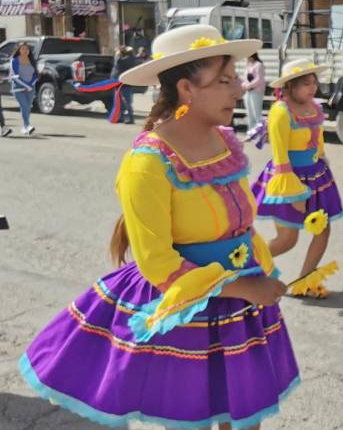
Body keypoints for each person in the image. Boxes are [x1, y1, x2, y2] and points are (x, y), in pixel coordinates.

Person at [19, 25, 298, 429]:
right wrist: (243, 287)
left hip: (240, 303)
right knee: (194, 418)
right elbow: (158, 261)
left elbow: (241, 227)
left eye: (235, 78)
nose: (238, 90)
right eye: (224, 80)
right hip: (186, 310)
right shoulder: (147, 162)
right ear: (187, 88)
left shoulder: (224, 142)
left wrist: (264, 270)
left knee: (245, 415)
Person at [251, 59, 343, 298]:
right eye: (305, 83)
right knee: (287, 240)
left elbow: (318, 140)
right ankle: (245, 269)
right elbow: (280, 156)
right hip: (288, 177)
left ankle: (304, 282)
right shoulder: (281, 111)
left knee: (323, 231)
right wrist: (294, 193)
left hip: (316, 176)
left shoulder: (314, 107)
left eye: (314, 82)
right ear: (290, 86)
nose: (312, 88)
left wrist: (322, 159)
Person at [10, 42, 38, 136]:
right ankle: (28, 125)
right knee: (25, 105)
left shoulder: (32, 60)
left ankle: (24, 127)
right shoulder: (14, 60)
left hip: (31, 88)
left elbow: (35, 75)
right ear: (18, 50)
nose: (25, 51)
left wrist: (30, 85)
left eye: (27, 49)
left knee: (27, 107)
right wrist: (26, 85)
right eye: (23, 49)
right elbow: (15, 76)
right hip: (18, 88)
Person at [110, 46, 139, 124]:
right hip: (122, 82)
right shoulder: (130, 58)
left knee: (126, 101)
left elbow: (118, 63)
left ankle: (130, 118)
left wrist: (117, 54)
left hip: (123, 83)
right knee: (121, 100)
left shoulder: (127, 59)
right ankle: (121, 117)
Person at [242, 52, 266, 132]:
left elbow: (259, 79)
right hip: (248, 92)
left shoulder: (259, 65)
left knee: (257, 113)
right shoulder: (248, 65)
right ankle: (251, 132)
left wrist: (248, 85)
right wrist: (244, 86)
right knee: (249, 113)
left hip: (256, 91)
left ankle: (260, 133)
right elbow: (245, 79)